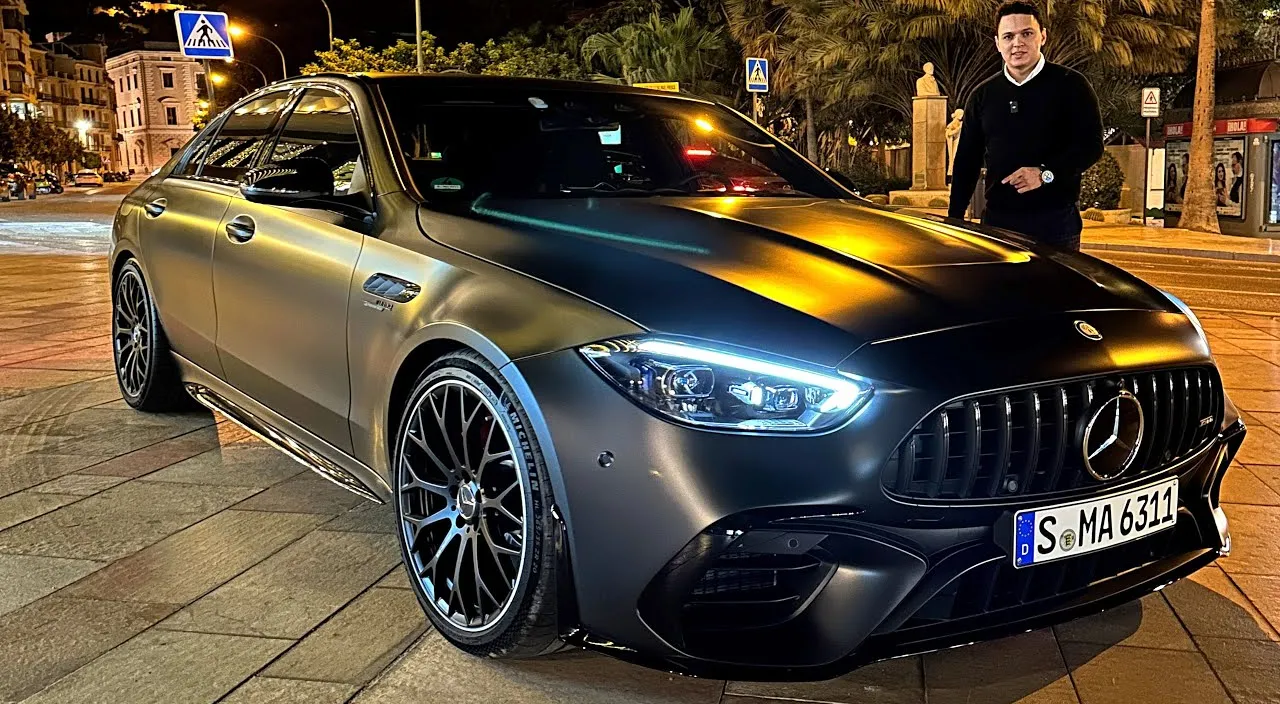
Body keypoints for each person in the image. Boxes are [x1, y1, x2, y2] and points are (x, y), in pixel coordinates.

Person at [947, 0, 1103, 251]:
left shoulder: (1072, 85)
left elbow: (1091, 147)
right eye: (1008, 36)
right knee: (999, 292)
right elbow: (967, 161)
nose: (1017, 43)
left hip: (1056, 224)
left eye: (1026, 33)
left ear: (1042, 36)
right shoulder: (982, 95)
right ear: (998, 43)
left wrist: (1044, 173)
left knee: (1055, 292)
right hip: (997, 224)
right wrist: (954, 219)